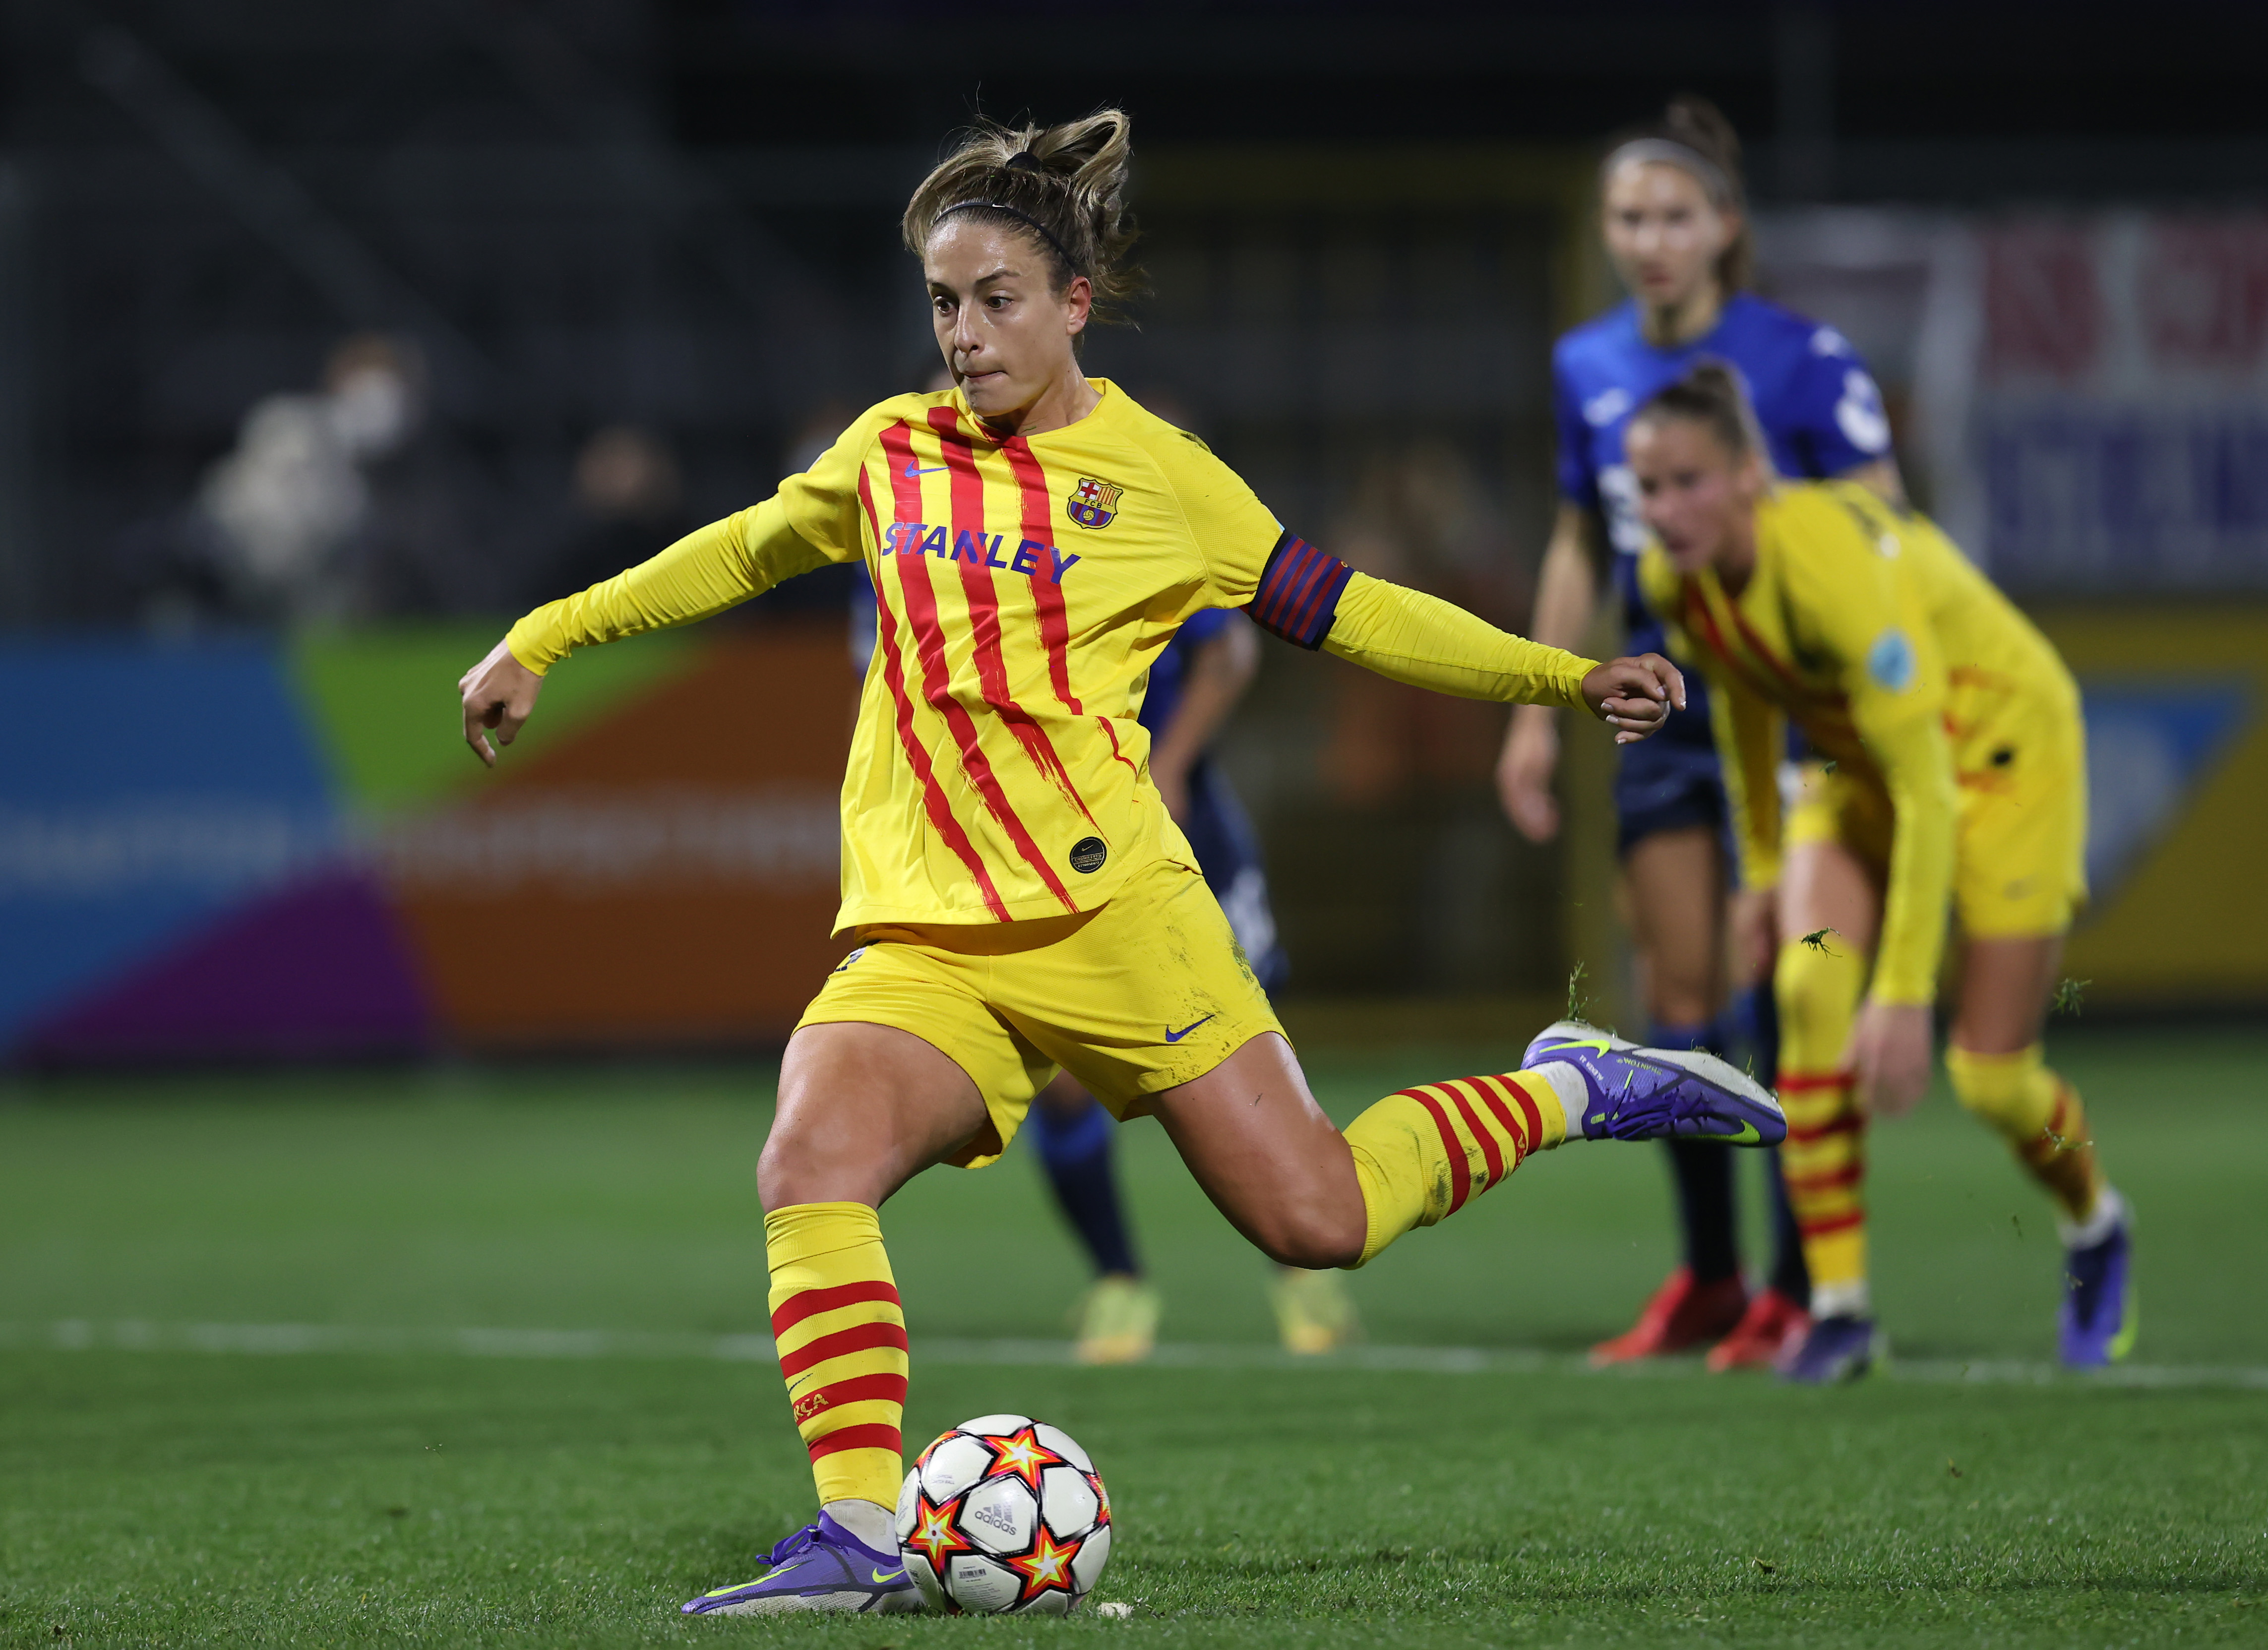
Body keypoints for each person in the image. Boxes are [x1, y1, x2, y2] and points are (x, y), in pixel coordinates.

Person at [458, 111, 1784, 1617]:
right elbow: (745, 549)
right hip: (931, 935)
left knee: (1320, 1221)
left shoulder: (1160, 477)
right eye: (944, 305)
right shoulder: (888, 452)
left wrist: (1558, 679)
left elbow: (1348, 609)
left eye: (997, 301)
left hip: (1116, 919)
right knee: (809, 1160)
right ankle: (855, 1528)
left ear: (1073, 302)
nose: (963, 335)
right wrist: (543, 635)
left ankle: (1568, 1085)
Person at [1495, 96, 1903, 1372]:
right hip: (1666, 709)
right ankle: (1716, 1279)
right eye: (1628, 216)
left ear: (1724, 226)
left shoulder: (1800, 359)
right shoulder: (1586, 364)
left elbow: (1883, 525)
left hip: (1792, 705)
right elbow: (1577, 538)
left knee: (1797, 987)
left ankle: (1802, 1282)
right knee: (1679, 998)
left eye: (1675, 213)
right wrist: (1535, 706)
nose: (1651, 238)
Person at [1625, 361, 2133, 1384]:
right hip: (1851, 772)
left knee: (1989, 1075)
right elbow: (1742, 699)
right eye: (1647, 487)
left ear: (1750, 476)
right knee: (1810, 984)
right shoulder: (1668, 579)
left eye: (1688, 482)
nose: (1664, 509)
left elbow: (1931, 795)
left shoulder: (1835, 582)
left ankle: (2096, 1221)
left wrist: (1903, 995)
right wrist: (1760, 873)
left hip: (1996, 763)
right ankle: (1842, 1308)